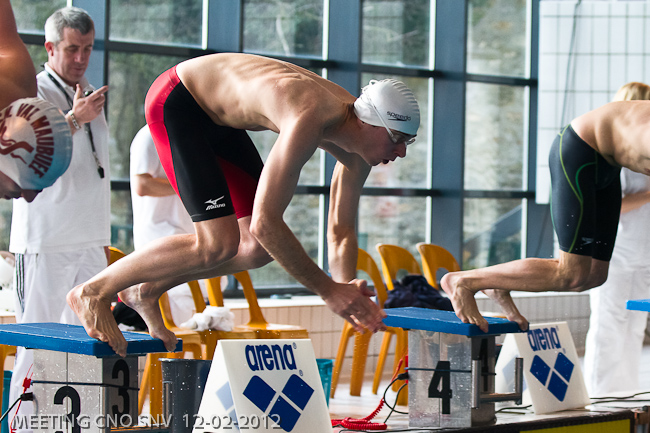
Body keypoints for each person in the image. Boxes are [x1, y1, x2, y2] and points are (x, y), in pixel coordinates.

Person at [67, 52, 420, 357]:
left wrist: (346, 291)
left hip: (221, 119)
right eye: (398, 138)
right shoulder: (310, 115)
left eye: (409, 141)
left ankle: (145, 289)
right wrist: (328, 291)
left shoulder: (358, 153)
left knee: (255, 250)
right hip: (178, 99)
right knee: (217, 242)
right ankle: (92, 292)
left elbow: (340, 232)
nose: (402, 151)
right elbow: (266, 223)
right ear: (368, 123)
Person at [441, 93, 650, 333]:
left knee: (594, 275)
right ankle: (462, 282)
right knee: (571, 274)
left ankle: (496, 282)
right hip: (582, 151)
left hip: (608, 165)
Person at [8, 6, 111, 422]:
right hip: (45, 240)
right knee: (35, 343)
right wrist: (73, 118)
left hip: (89, 238)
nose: (81, 58)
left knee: (86, 342)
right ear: (50, 48)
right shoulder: (31, 90)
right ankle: (22, 427)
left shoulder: (89, 90)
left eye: (87, 48)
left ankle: (75, 425)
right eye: (72, 49)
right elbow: (24, 151)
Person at [582, 82, 650, 396]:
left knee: (635, 327)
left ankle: (626, 394)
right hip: (615, 256)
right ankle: (600, 395)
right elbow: (612, 205)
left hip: (644, 255)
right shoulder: (614, 155)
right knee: (609, 326)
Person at [130, 124, 206, 325]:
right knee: (174, 322)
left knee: (194, 317)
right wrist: (191, 185)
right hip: (159, 237)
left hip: (190, 234)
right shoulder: (148, 136)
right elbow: (142, 185)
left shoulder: (193, 133)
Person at [0, 0, 73, 201]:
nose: (28, 198)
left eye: (39, 188)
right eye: (20, 185)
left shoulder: (18, 78)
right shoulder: (13, 75)